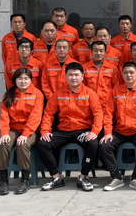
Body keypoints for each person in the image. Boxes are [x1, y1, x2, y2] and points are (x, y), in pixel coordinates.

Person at [37, 63, 103, 191]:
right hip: (64, 131)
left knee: (93, 143)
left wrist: (94, 132)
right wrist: (45, 131)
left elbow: (98, 114)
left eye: (76, 75)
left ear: (82, 76)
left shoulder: (90, 94)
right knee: (42, 144)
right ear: (66, 76)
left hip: (82, 131)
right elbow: (48, 114)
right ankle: (56, 177)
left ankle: (83, 177)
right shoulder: (58, 94)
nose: (73, 78)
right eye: (70, 75)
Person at [99, 62, 136, 192]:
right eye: (126, 73)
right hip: (120, 132)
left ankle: (135, 178)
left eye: (131, 72)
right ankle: (116, 177)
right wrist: (108, 133)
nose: (129, 75)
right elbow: (108, 114)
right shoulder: (115, 91)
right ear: (122, 75)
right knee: (104, 145)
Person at [0, 67, 44, 195]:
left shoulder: (37, 94)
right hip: (13, 129)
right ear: (15, 80)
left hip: (31, 130)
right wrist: (4, 133)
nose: (23, 81)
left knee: (23, 145)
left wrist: (26, 134)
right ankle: (3, 180)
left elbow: (35, 117)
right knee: (2, 144)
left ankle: (25, 179)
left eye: (26, 78)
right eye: (20, 79)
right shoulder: (9, 94)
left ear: (31, 80)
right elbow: (4, 116)